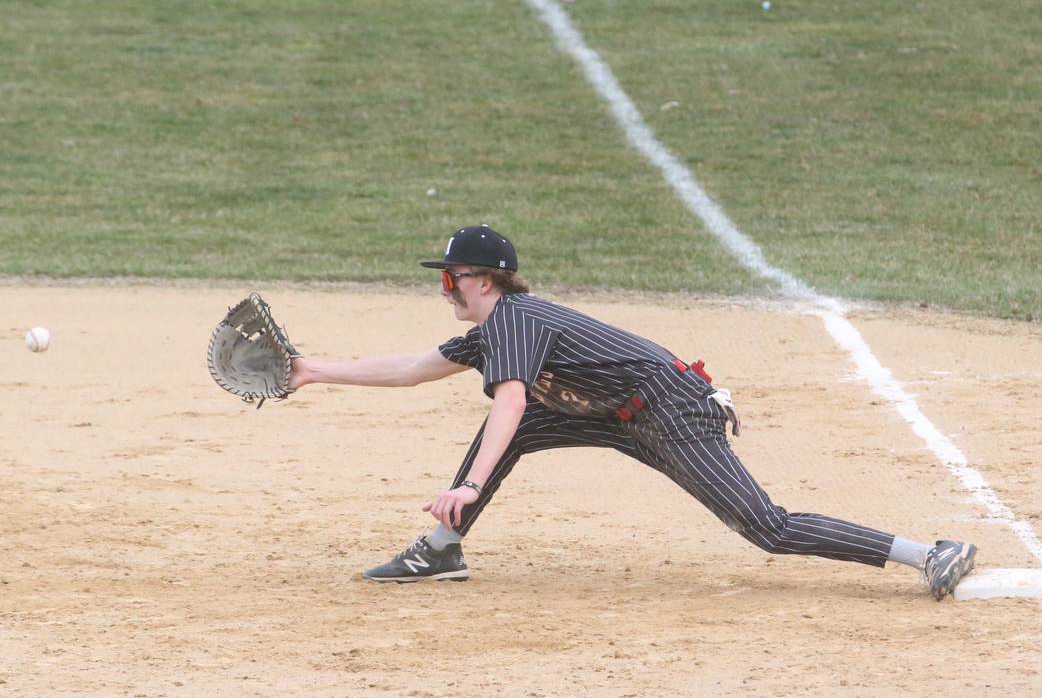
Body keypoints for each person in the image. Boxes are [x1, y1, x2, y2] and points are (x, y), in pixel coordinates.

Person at [286, 225, 978, 599]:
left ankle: (926, 553)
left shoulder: (516, 320)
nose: (444, 289)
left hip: (671, 410)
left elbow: (514, 396)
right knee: (521, 424)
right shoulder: (495, 330)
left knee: (764, 526)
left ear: (485, 280)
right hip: (616, 411)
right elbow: (411, 370)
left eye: (450, 277)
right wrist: (312, 371)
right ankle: (441, 550)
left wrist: (467, 485)